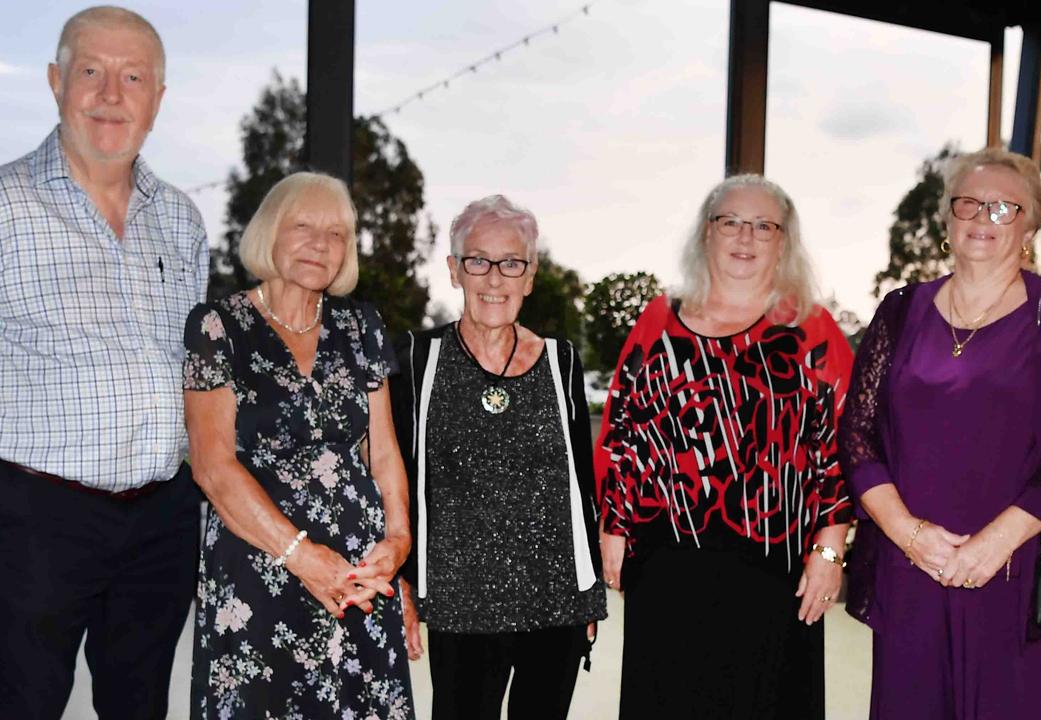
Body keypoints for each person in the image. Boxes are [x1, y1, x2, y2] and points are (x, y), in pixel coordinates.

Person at [839, 147, 1041, 719]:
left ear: (1030, 225)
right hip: (911, 567)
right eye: (968, 204)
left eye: (1003, 207)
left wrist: (995, 543)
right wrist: (909, 534)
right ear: (947, 218)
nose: (982, 218)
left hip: (1021, 571)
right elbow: (858, 431)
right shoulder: (899, 310)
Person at [0, 8, 208, 719]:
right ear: (57, 82)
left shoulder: (181, 219)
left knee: (141, 704)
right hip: (34, 520)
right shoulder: (4, 205)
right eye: (91, 71)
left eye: (133, 77)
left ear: (158, 99)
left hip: (161, 520)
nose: (112, 94)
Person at [595, 174, 853, 720]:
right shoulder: (659, 320)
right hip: (666, 564)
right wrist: (613, 525)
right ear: (705, 233)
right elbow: (623, 428)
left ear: (783, 241)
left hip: (774, 570)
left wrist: (829, 552)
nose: (746, 236)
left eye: (764, 225)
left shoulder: (812, 330)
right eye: (730, 221)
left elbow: (841, 448)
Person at [183, 172, 415, 719]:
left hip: (358, 577)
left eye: (337, 234)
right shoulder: (218, 327)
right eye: (303, 226)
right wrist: (302, 557)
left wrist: (399, 545)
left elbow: (383, 454)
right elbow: (212, 468)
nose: (321, 244)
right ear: (270, 233)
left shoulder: (363, 327)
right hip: (259, 569)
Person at [389, 195, 606, 720]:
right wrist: (402, 581)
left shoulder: (562, 361)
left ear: (529, 276)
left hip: (556, 604)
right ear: (454, 271)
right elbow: (393, 478)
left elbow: (580, 480)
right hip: (458, 607)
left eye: (511, 263)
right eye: (478, 261)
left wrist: (590, 587)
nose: (494, 278)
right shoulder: (417, 360)